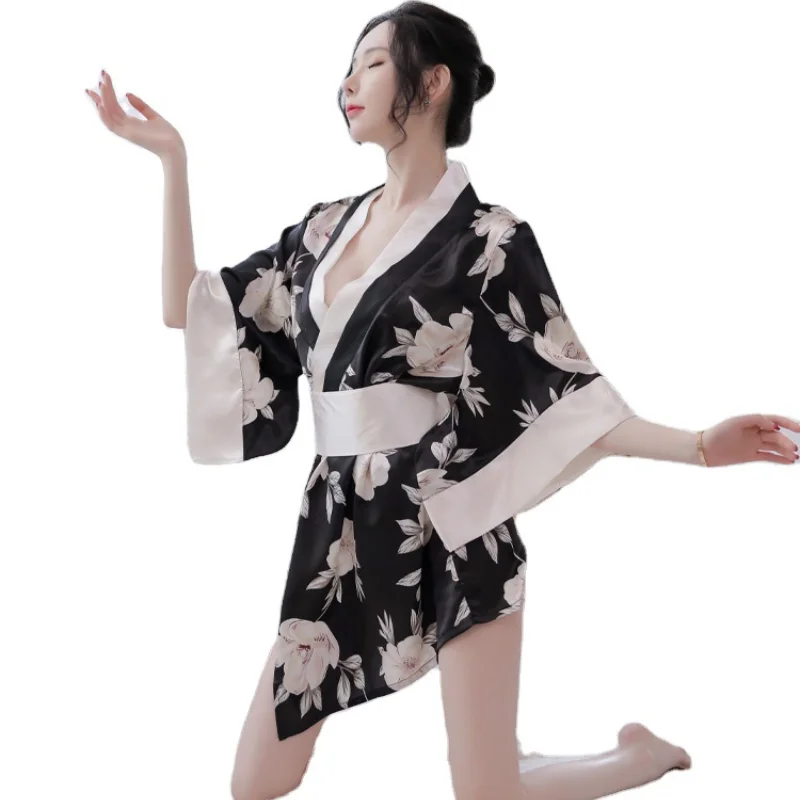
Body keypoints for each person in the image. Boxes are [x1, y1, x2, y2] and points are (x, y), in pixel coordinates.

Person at [86, 3, 800, 798]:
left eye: (372, 64)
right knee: (255, 783)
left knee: (484, 793)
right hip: (343, 526)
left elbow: (569, 399)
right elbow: (190, 311)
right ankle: (522, 760)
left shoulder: (490, 240)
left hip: (457, 518)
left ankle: (640, 756)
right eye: (349, 66)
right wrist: (172, 159)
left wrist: (700, 446)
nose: (348, 83)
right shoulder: (321, 232)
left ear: (431, 85)